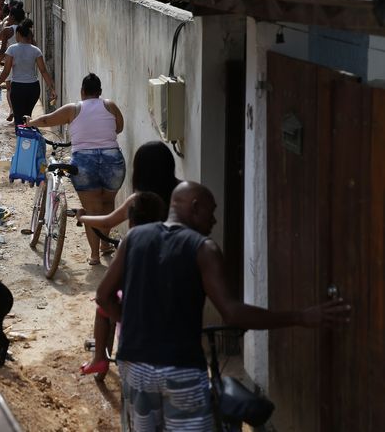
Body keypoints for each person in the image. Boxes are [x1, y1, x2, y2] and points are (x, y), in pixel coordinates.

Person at [97, 181, 351, 432]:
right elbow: (232, 313)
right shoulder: (202, 248)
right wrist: (300, 317)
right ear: (195, 207)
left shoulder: (134, 238)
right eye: (212, 211)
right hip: (180, 369)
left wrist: (132, 325)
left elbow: (103, 296)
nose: (214, 220)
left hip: (134, 365)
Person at [24, 73, 125, 265]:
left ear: (82, 92)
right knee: (108, 204)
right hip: (113, 159)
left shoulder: (74, 109)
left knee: (92, 209)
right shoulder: (110, 105)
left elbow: (47, 120)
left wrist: (31, 123)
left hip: (84, 162)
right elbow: (118, 128)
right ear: (100, 92)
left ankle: (95, 255)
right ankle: (105, 245)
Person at [80, 191, 166, 377]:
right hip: (167, 312)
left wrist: (82, 217)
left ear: (131, 220)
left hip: (137, 320)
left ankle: (99, 359)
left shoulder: (132, 237)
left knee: (102, 302)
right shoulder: (173, 235)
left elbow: (107, 222)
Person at [76, 140, 180, 235]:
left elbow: (107, 222)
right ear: (170, 164)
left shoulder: (139, 200)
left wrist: (81, 217)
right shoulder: (185, 190)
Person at [0, 19, 56, 129]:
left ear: (18, 34)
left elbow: (6, 71)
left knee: (19, 119)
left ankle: (22, 143)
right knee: (28, 118)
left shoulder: (12, 49)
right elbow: (44, 71)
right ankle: (29, 142)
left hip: (18, 88)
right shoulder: (36, 50)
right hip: (33, 88)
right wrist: (52, 89)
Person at [0, 2, 26, 122]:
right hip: (25, 61)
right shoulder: (26, 30)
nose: (8, 18)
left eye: (9, 16)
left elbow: (2, 50)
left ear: (13, 17)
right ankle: (21, 111)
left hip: (11, 61)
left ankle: (12, 110)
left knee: (10, 88)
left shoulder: (7, 30)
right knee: (22, 86)